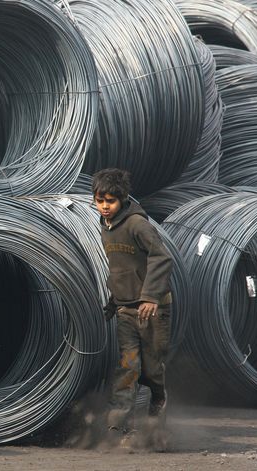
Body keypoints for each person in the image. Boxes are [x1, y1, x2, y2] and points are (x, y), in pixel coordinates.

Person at [92, 168, 172, 448]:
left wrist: (150, 296)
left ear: (123, 199)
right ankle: (116, 427)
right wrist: (113, 302)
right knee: (128, 367)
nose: (104, 206)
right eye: (100, 200)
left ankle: (156, 415)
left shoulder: (137, 224)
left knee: (151, 369)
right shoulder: (106, 227)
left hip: (153, 310)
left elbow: (162, 257)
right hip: (127, 310)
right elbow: (121, 270)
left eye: (110, 201)